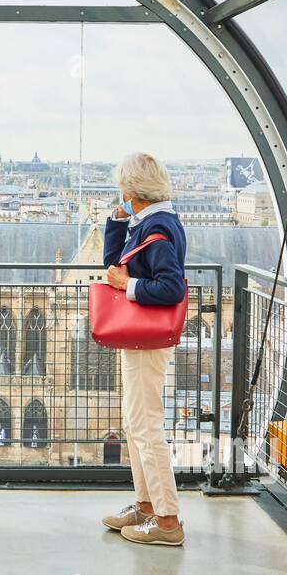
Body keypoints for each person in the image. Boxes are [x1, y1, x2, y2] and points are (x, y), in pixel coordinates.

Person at [98, 152, 188, 546]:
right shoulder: (148, 221)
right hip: (140, 336)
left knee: (147, 425)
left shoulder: (160, 228)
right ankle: (146, 505)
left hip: (149, 340)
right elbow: (115, 263)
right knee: (136, 423)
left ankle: (167, 520)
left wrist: (126, 287)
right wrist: (118, 220)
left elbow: (171, 287)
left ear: (132, 189)